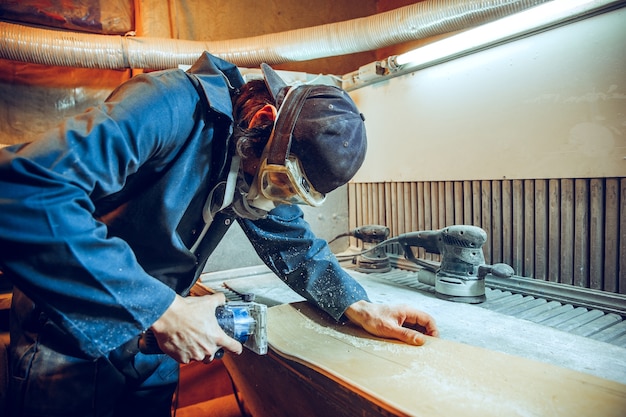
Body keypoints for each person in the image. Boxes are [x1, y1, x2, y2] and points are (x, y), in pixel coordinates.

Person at [0, 52, 438, 417]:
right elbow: (24, 193)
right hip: (72, 332)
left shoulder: (253, 157)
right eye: (279, 184)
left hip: (153, 341)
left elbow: (296, 246)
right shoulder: (168, 105)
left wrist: (358, 306)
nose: (272, 205)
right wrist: (162, 310)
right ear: (265, 120)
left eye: (292, 197)